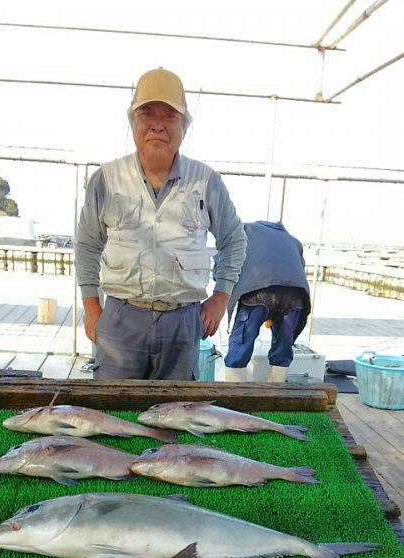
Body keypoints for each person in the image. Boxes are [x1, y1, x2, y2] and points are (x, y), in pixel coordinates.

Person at [75, 67, 246, 380]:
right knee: (113, 413)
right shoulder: (106, 179)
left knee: (176, 415)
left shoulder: (206, 181)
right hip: (119, 319)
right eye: (147, 113)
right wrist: (90, 305)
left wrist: (221, 298)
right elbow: (87, 244)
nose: (157, 125)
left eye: (170, 115)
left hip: (183, 321)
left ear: (184, 125)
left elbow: (234, 240)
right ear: (132, 122)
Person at [224, 220, 311, 382]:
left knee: (242, 340)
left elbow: (226, 260)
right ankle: (276, 390)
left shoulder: (246, 230)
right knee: (284, 344)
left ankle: (233, 391)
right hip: (296, 296)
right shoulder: (293, 241)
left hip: (258, 291)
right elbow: (299, 271)